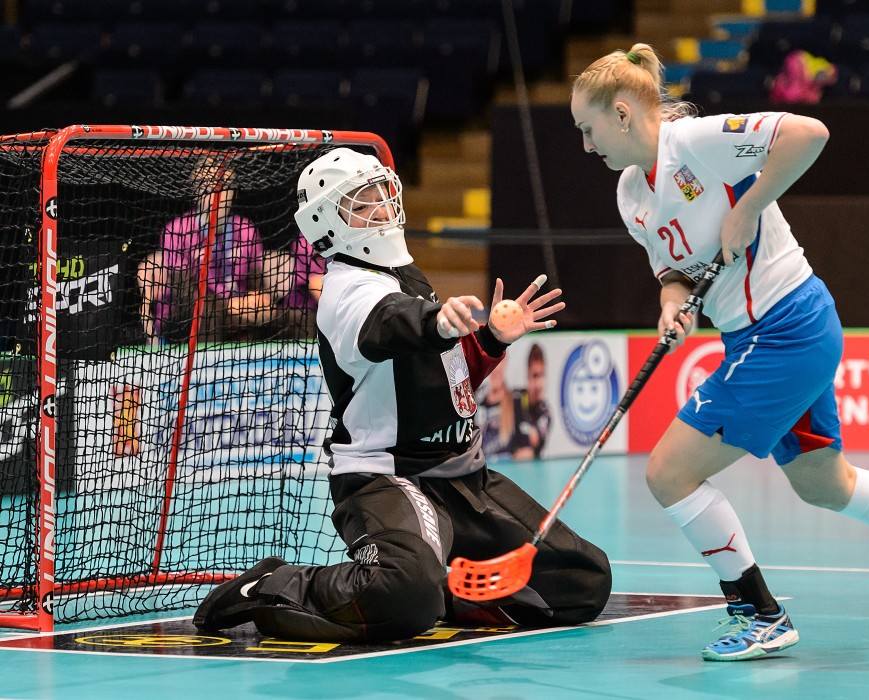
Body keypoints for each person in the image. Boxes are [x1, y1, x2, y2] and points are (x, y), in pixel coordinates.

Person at [570, 43, 869, 662]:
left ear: (621, 113)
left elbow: (809, 132)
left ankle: (758, 613)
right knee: (824, 483)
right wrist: (671, 305)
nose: (586, 146)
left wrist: (747, 207)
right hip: (753, 334)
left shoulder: (695, 142)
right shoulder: (630, 194)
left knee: (669, 472)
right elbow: (673, 274)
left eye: (588, 129)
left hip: (786, 326)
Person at [193, 147, 612, 643]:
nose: (384, 207)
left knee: (583, 582)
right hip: (388, 478)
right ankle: (278, 584)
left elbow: (441, 383)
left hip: (463, 479)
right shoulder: (347, 291)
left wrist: (490, 341)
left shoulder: (404, 274)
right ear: (328, 223)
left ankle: (449, 587)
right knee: (403, 595)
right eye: (364, 200)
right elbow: (387, 325)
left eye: (383, 193)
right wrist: (436, 322)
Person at [136, 157, 294, 345]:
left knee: (288, 317)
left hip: (238, 311)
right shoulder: (177, 230)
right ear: (196, 192)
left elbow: (254, 281)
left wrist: (257, 300)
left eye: (224, 186)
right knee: (207, 312)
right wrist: (230, 305)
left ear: (233, 192)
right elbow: (185, 293)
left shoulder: (246, 229)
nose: (217, 194)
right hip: (188, 314)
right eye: (208, 187)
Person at [510, 343, 551, 460]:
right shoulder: (516, 398)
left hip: (532, 467)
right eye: (535, 376)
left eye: (542, 375)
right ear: (527, 375)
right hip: (508, 463)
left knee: (526, 453)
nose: (539, 383)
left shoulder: (545, 412)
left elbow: (531, 441)